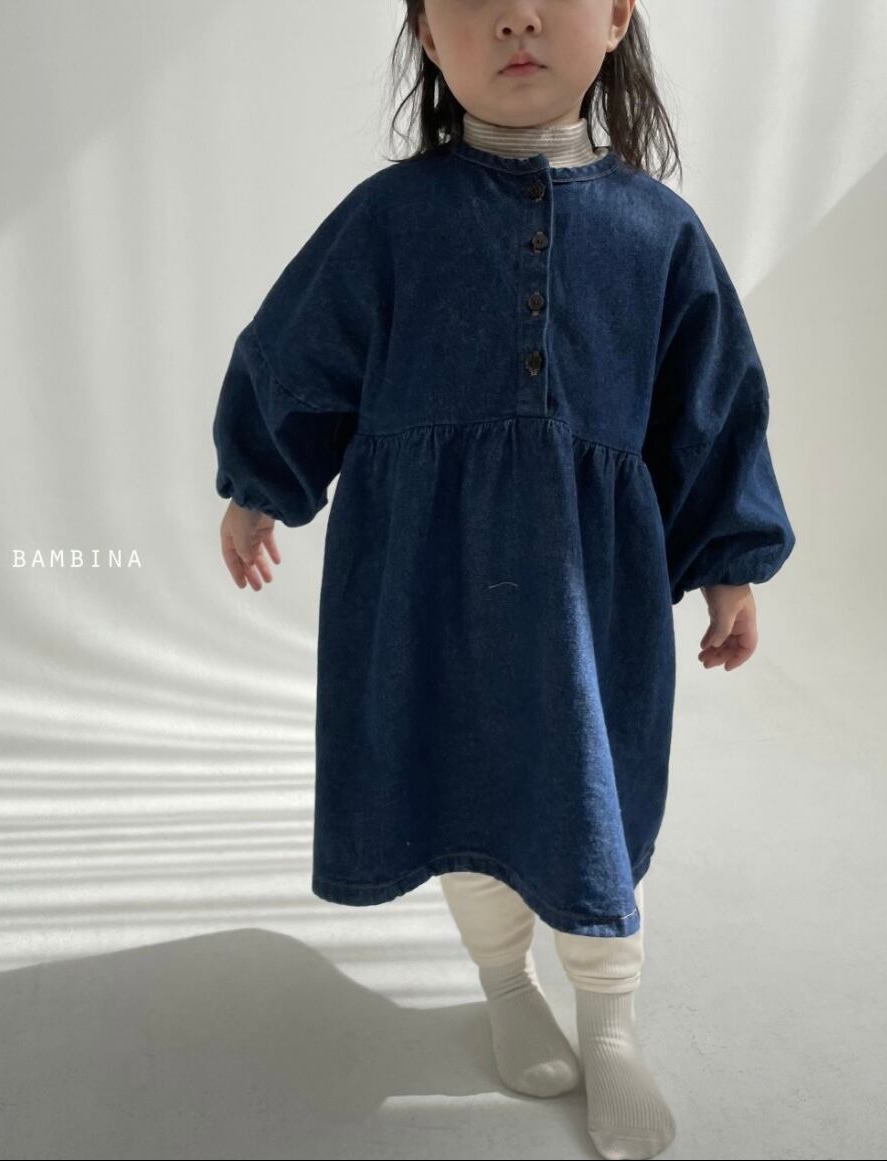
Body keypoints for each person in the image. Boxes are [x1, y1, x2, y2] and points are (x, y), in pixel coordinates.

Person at [212, 1, 796, 1156]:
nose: (515, 16)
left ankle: (610, 1026)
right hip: (421, 581)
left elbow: (711, 409)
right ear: (429, 36)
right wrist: (259, 482)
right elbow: (297, 351)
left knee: (590, 792)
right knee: (450, 775)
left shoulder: (658, 233)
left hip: (588, 594)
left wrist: (729, 563)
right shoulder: (389, 219)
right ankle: (504, 986)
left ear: (616, 14)